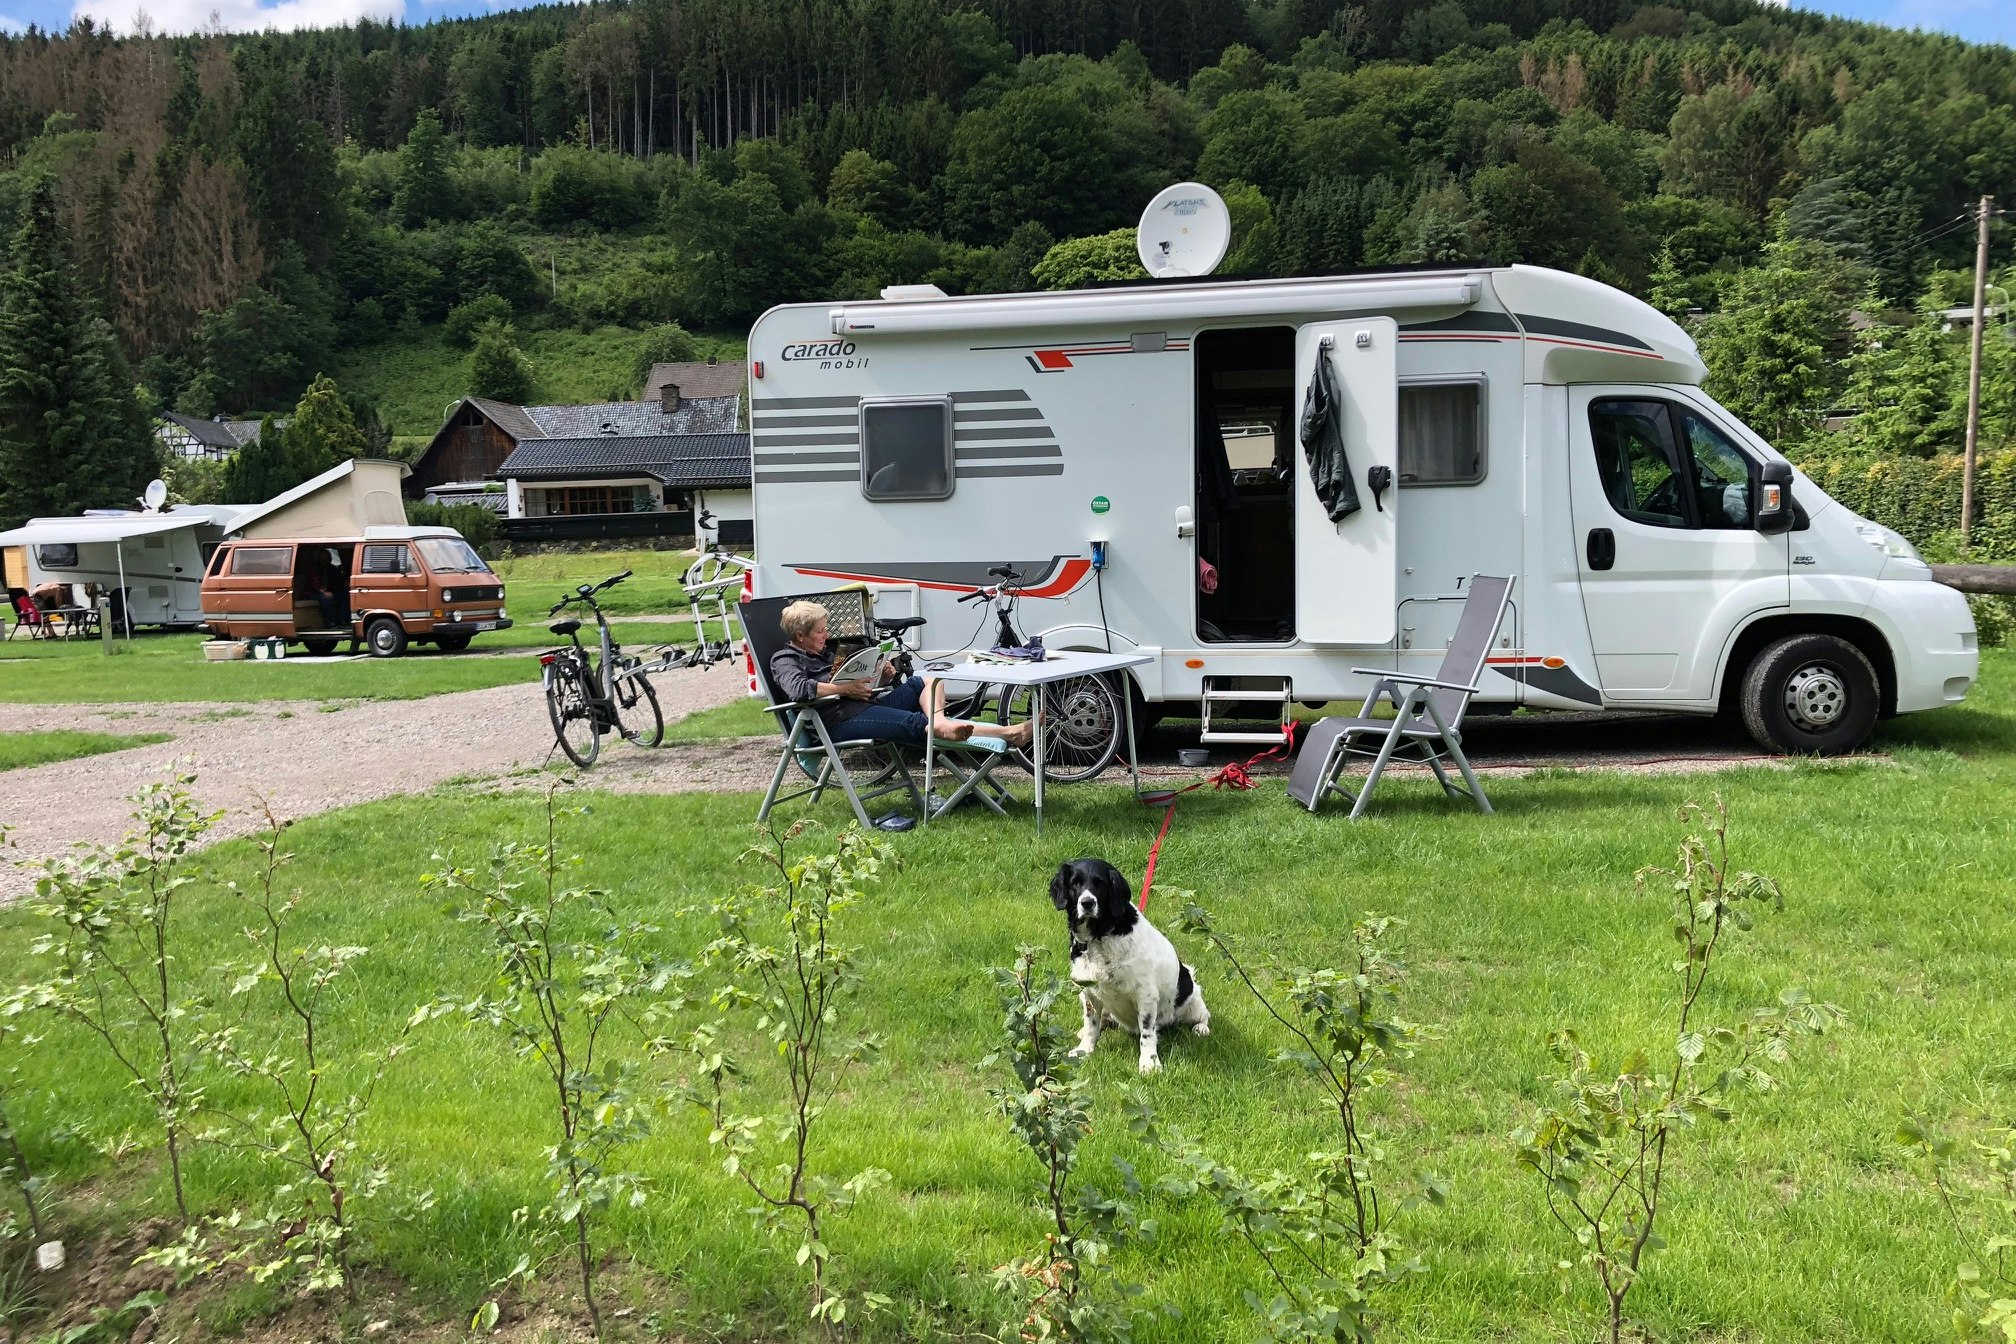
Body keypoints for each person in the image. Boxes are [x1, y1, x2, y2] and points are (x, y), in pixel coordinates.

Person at [769, 600, 1033, 750]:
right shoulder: (785, 660)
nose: (826, 636)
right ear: (800, 636)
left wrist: (881, 675)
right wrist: (844, 690)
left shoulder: (824, 654)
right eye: (819, 631)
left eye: (825, 629)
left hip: (864, 705)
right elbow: (799, 690)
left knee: (928, 679)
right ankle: (1008, 733)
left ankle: (939, 721)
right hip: (838, 721)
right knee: (915, 724)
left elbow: (858, 683)